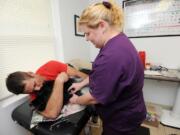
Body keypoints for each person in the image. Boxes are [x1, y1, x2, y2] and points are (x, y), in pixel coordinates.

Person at [69, 1, 147, 135]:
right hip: (132, 109)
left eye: (88, 33)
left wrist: (76, 100)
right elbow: (103, 75)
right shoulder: (118, 41)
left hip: (121, 119)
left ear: (102, 26)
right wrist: (81, 83)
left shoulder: (111, 56)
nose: (86, 39)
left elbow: (94, 98)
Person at [6, 60, 87, 119]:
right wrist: (59, 81)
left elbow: (80, 74)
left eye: (34, 84)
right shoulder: (33, 97)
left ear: (31, 73)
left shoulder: (51, 65)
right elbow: (52, 114)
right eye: (31, 91)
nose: (38, 89)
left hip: (72, 67)